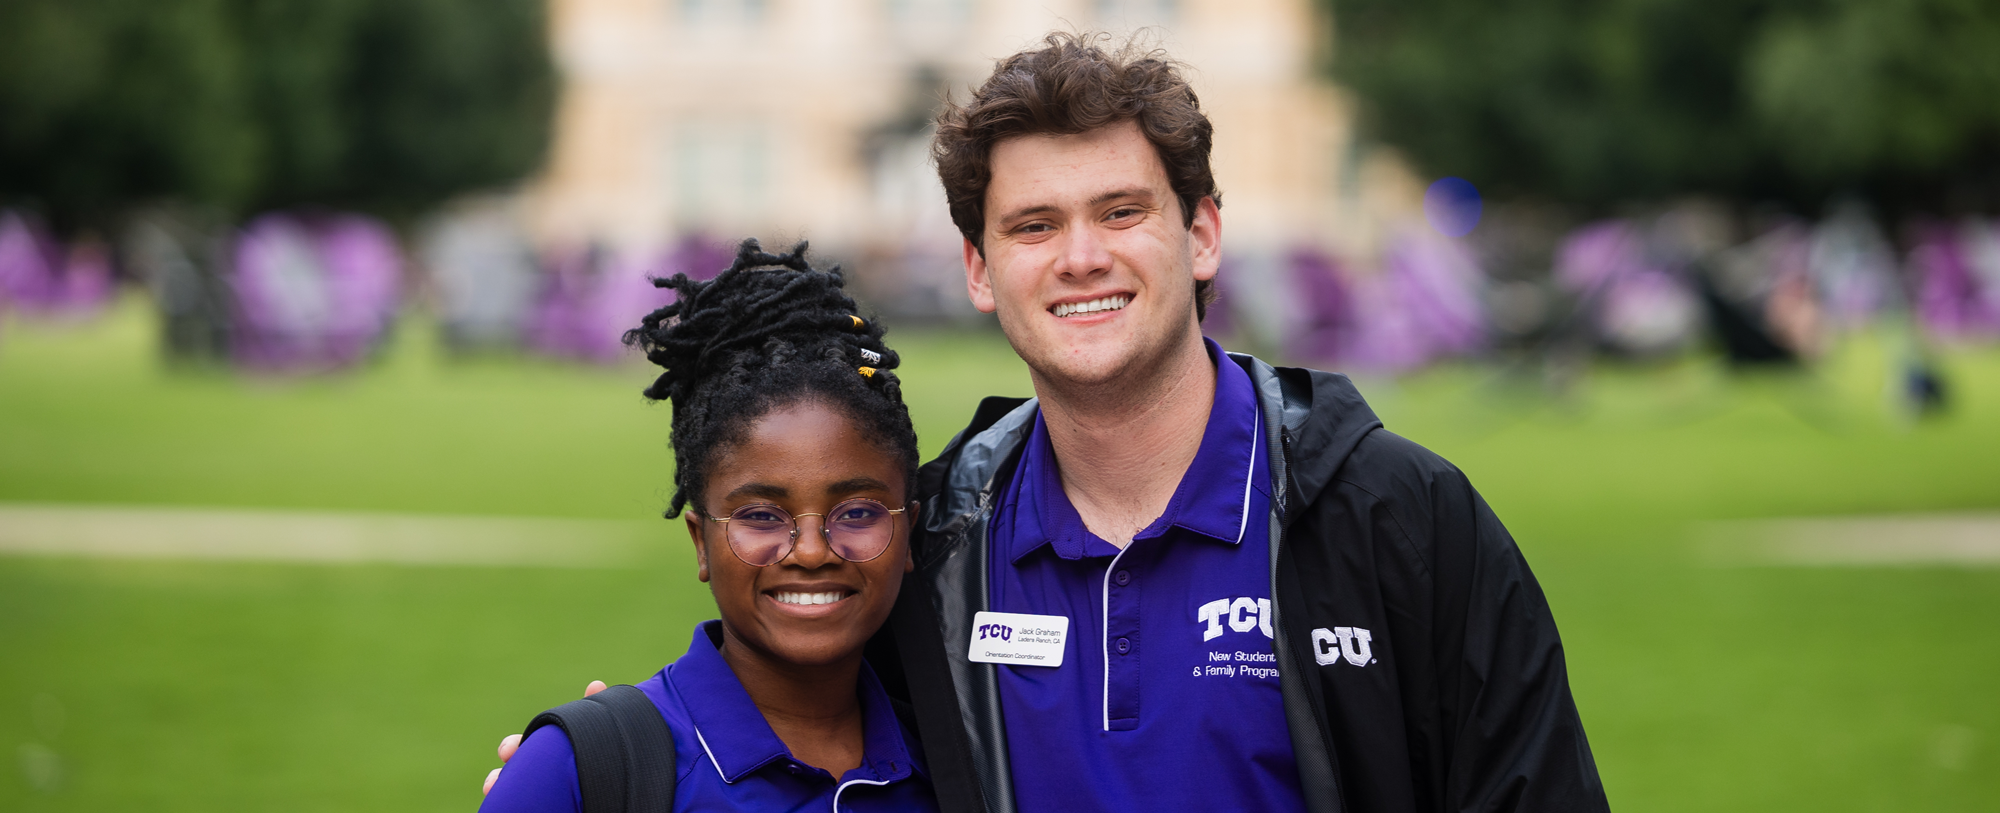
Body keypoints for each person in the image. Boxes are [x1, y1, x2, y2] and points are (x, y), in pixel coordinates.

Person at [493, 32, 1609, 813]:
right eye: (1032, 225)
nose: (1079, 257)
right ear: (979, 270)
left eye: (1119, 211)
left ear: (1202, 233)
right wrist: (593, 764)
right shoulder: (929, 541)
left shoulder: (1395, 519)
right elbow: (778, 692)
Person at [479, 241, 938, 812]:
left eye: (860, 512)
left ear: (909, 532)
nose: (813, 551)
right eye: (763, 516)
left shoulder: (956, 761)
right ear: (701, 542)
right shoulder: (581, 771)